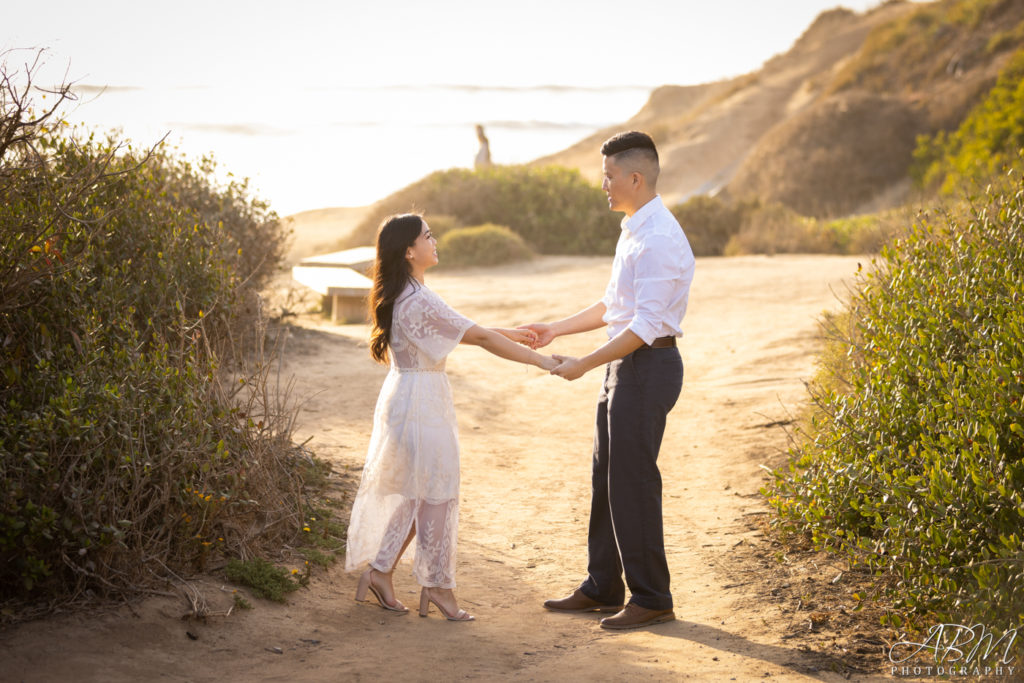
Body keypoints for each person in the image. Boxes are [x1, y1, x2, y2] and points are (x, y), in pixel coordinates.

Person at [522, 131, 695, 630]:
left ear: (634, 177)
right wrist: (556, 327)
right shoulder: (635, 228)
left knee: (634, 483)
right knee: (606, 478)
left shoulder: (660, 238)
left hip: (649, 367)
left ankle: (652, 598)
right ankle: (602, 586)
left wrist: (584, 362)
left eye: (609, 175)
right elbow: (613, 308)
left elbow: (644, 327)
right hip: (627, 366)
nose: (603, 183)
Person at [345, 213, 556, 622]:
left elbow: (464, 328)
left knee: (419, 492)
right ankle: (438, 586)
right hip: (421, 403)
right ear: (409, 251)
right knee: (436, 493)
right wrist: (542, 361)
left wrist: (509, 332)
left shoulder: (408, 292)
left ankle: (381, 572)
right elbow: (475, 336)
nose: (434, 240)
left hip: (410, 396)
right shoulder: (418, 297)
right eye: (428, 236)